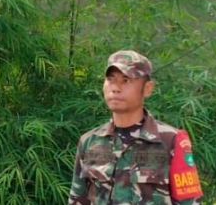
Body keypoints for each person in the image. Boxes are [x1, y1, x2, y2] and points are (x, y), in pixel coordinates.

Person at [67, 50, 204, 205]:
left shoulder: (170, 141)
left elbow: (190, 202)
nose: (115, 88)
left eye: (126, 80)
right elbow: (77, 200)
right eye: (110, 80)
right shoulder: (90, 142)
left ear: (147, 88)